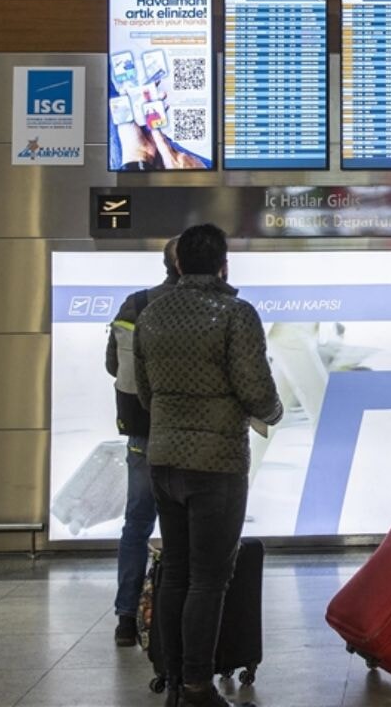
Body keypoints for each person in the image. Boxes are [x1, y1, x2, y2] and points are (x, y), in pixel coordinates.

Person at [135, 224, 282, 707]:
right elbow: (256, 390)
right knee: (209, 579)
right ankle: (198, 686)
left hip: (163, 460)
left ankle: (175, 680)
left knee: (175, 571)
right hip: (216, 463)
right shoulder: (236, 314)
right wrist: (273, 412)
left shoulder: (151, 314)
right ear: (224, 265)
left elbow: (145, 392)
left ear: (178, 263)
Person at [105, 237, 179, 647]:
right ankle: (178, 620)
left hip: (142, 431)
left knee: (137, 523)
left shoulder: (136, 304)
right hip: (188, 434)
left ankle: (126, 618)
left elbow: (113, 365)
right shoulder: (212, 307)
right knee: (186, 526)